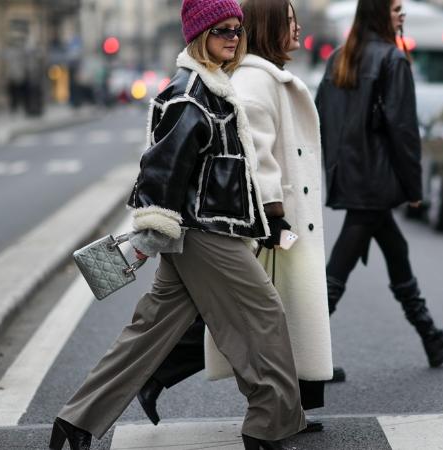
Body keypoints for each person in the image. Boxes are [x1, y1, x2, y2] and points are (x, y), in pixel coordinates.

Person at [49, 1, 306, 449]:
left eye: (236, 28)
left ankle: (75, 422)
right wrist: (150, 236)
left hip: (203, 229)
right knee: (263, 316)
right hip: (204, 233)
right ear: (198, 35)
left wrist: (258, 219)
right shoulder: (190, 94)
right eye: (220, 30)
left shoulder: (213, 87)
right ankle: (268, 426)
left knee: (148, 331)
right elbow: (161, 170)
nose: (232, 36)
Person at [135, 0, 333, 433]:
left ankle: (284, 412)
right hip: (252, 218)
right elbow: (252, 155)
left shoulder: (260, 76)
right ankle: (268, 417)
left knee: (246, 313)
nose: (298, 29)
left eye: (235, 30)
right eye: (291, 21)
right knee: (255, 315)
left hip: (251, 216)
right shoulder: (251, 81)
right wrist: (273, 215)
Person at [315, 0, 443, 374]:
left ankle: (431, 337)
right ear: (377, 12)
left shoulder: (339, 58)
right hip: (376, 181)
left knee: (396, 250)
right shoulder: (391, 59)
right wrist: (413, 187)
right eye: (396, 7)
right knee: (336, 275)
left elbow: (320, 115)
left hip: (350, 175)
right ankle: (301, 356)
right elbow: (403, 132)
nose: (402, 14)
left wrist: (334, 165)